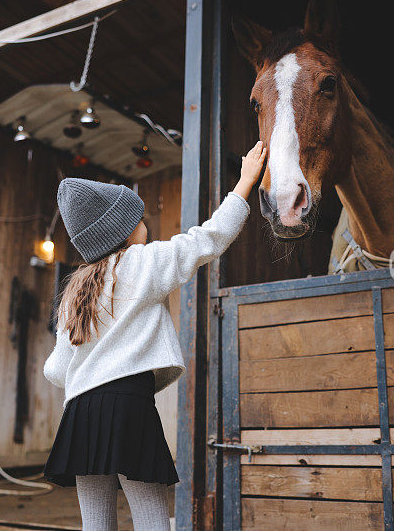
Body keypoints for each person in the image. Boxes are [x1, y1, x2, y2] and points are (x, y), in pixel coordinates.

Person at [42, 142, 267, 530]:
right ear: (125, 230)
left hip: (81, 411)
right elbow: (208, 238)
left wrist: (93, 370)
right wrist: (245, 182)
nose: (145, 223)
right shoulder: (144, 263)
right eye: (139, 217)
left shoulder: (76, 289)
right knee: (151, 519)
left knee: (95, 524)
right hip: (128, 404)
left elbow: (57, 368)